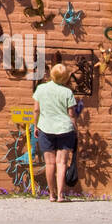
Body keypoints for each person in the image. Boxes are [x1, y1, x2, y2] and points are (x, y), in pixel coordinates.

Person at [32, 61, 77, 202]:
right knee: (61, 163)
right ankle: (60, 195)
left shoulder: (41, 89)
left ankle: (51, 194)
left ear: (52, 74)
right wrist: (76, 129)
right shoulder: (68, 92)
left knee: (50, 163)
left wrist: (35, 125)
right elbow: (71, 114)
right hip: (65, 129)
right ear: (65, 78)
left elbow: (36, 110)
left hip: (46, 127)